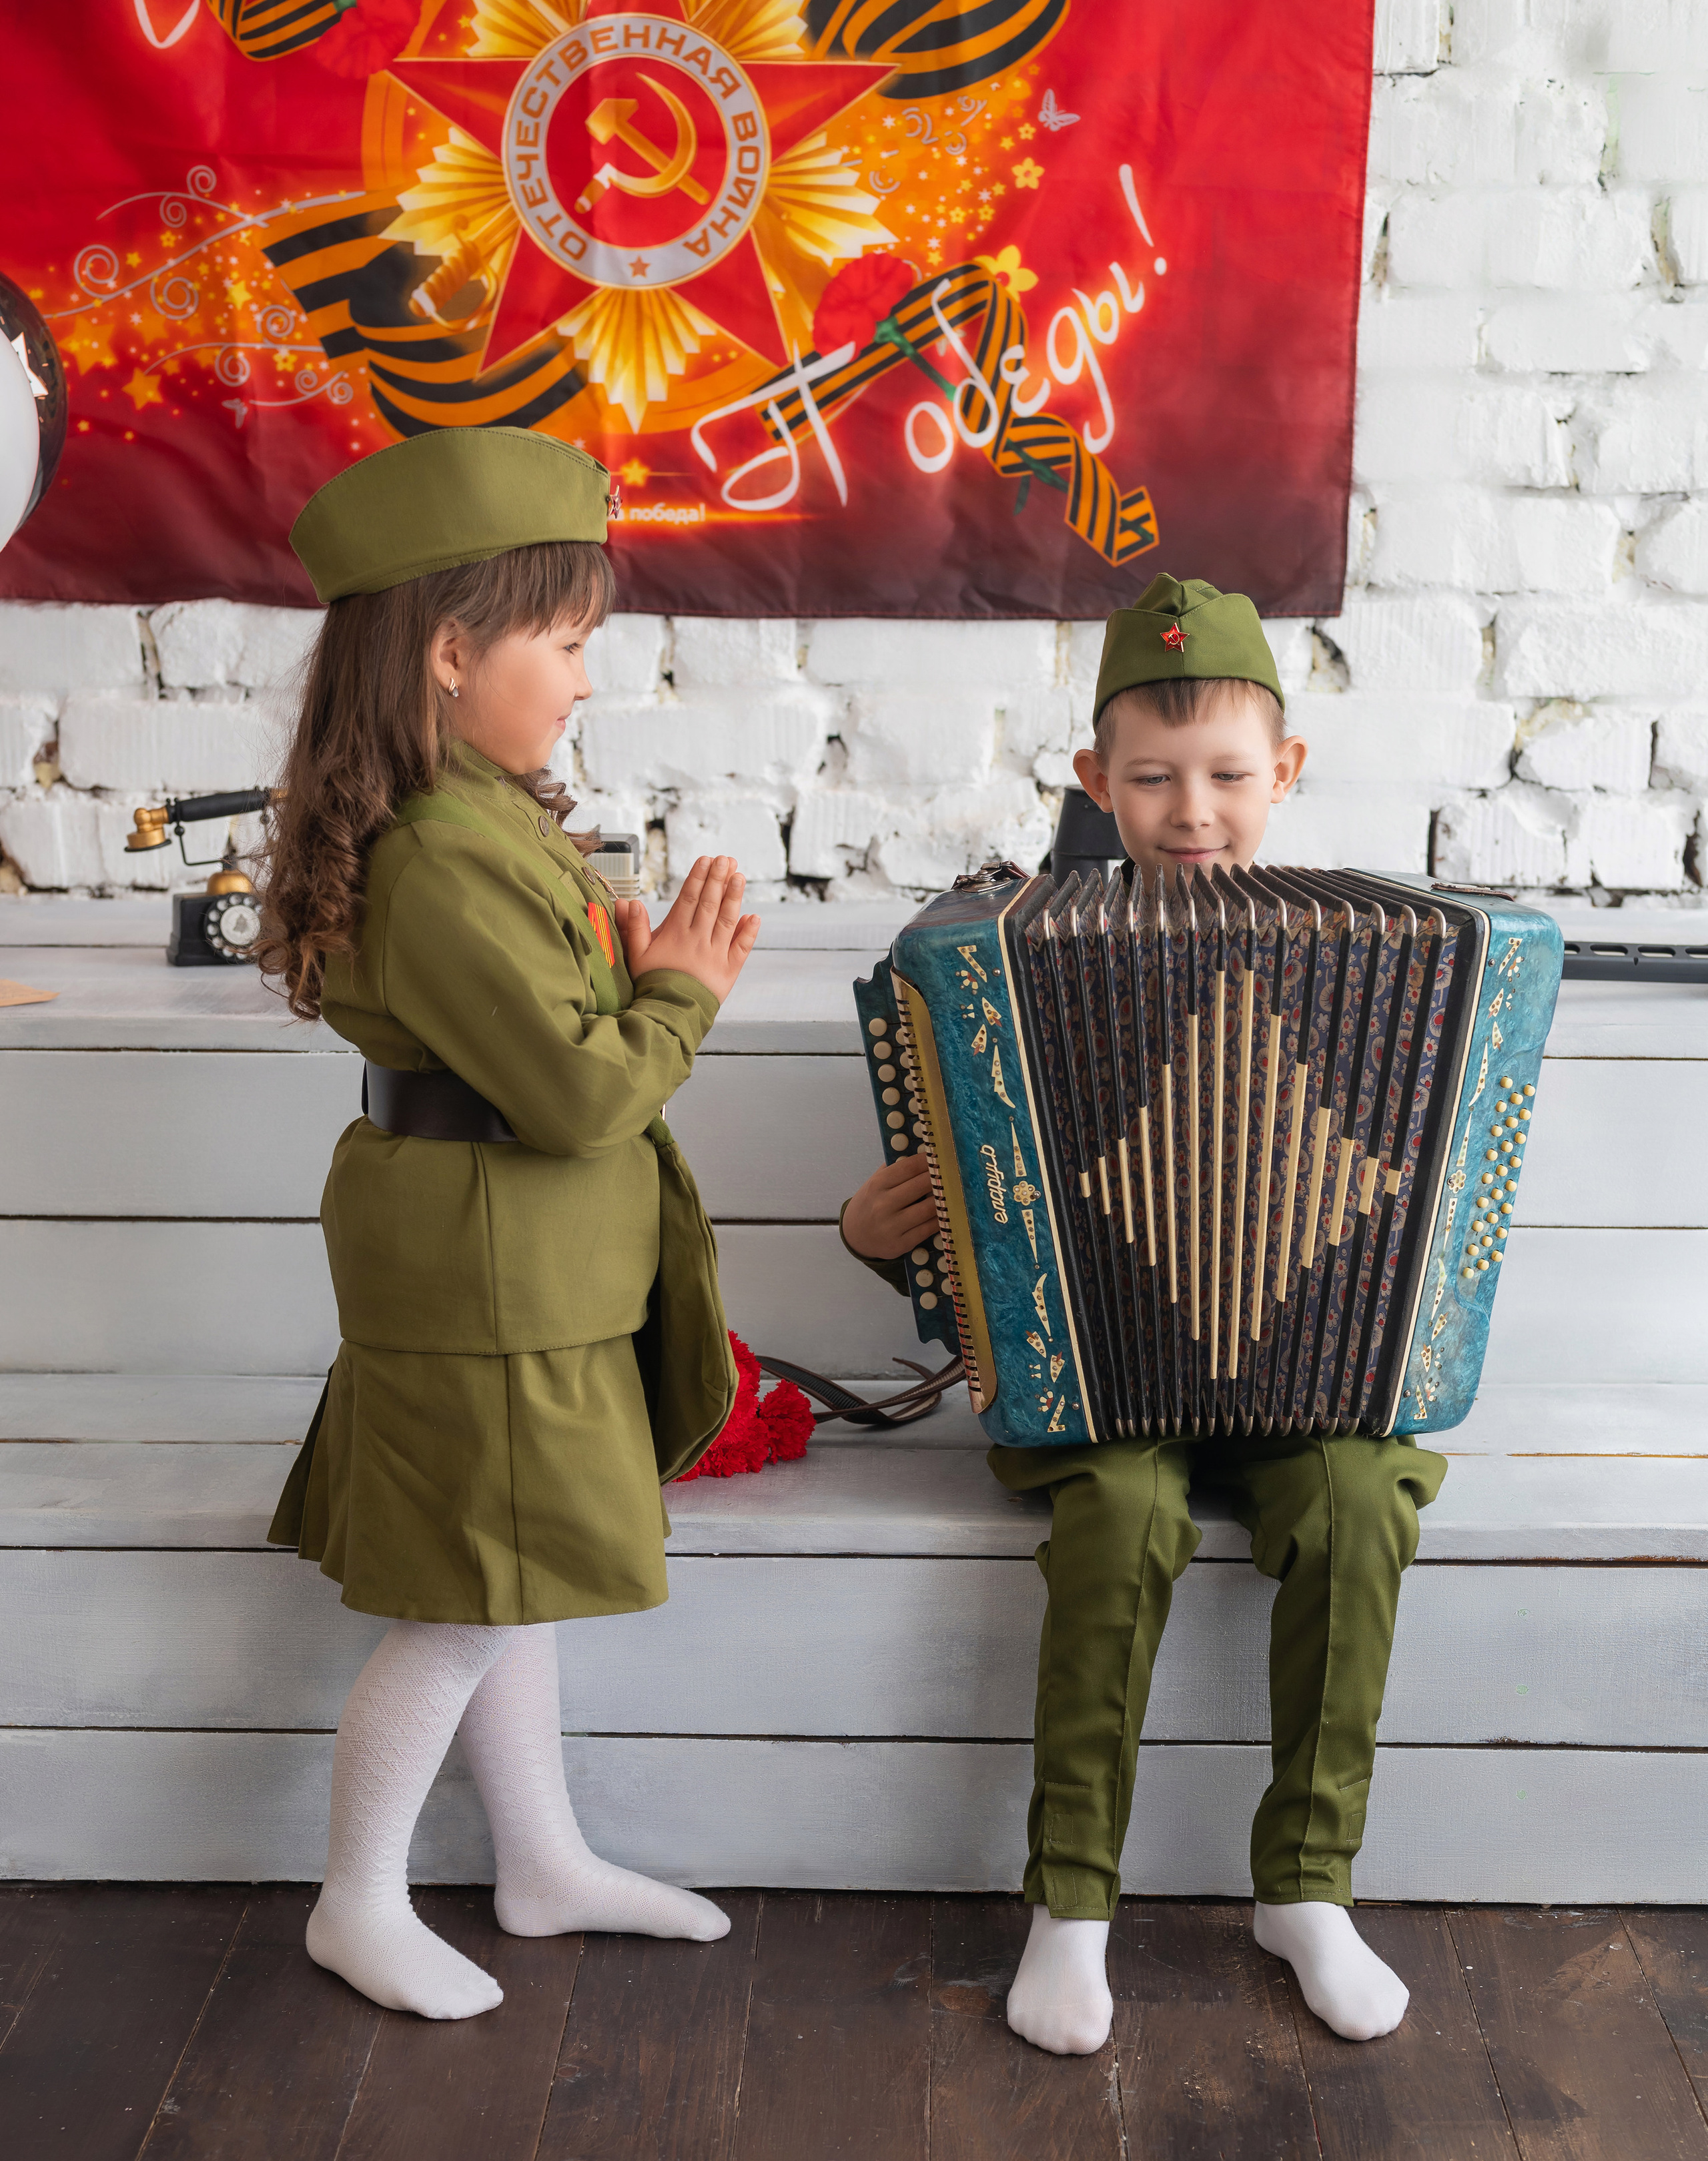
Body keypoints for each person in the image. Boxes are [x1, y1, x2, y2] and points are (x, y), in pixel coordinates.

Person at [841, 574, 1445, 2056]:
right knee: (1121, 1513)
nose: (1193, 811)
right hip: (1094, 1386)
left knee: (1360, 1502)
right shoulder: (1005, 951)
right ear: (1093, 778)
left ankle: (1306, 1887)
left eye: (1228, 775)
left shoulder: (1367, 953)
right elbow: (967, 1203)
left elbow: (1413, 1175)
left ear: (1284, 772)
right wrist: (878, 1236)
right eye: (1155, 777)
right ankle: (1072, 1903)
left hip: (1312, 1376)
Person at [261, 426, 758, 2020]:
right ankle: (356, 1900)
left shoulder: (482, 817)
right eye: (565, 642)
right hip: (488, 1288)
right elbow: (579, 1096)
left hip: (521, 1275)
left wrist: (625, 967)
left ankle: (538, 1864)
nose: (585, 680)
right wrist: (678, 993)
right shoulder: (441, 861)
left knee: (509, 1580)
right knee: (462, 1609)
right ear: (449, 652)